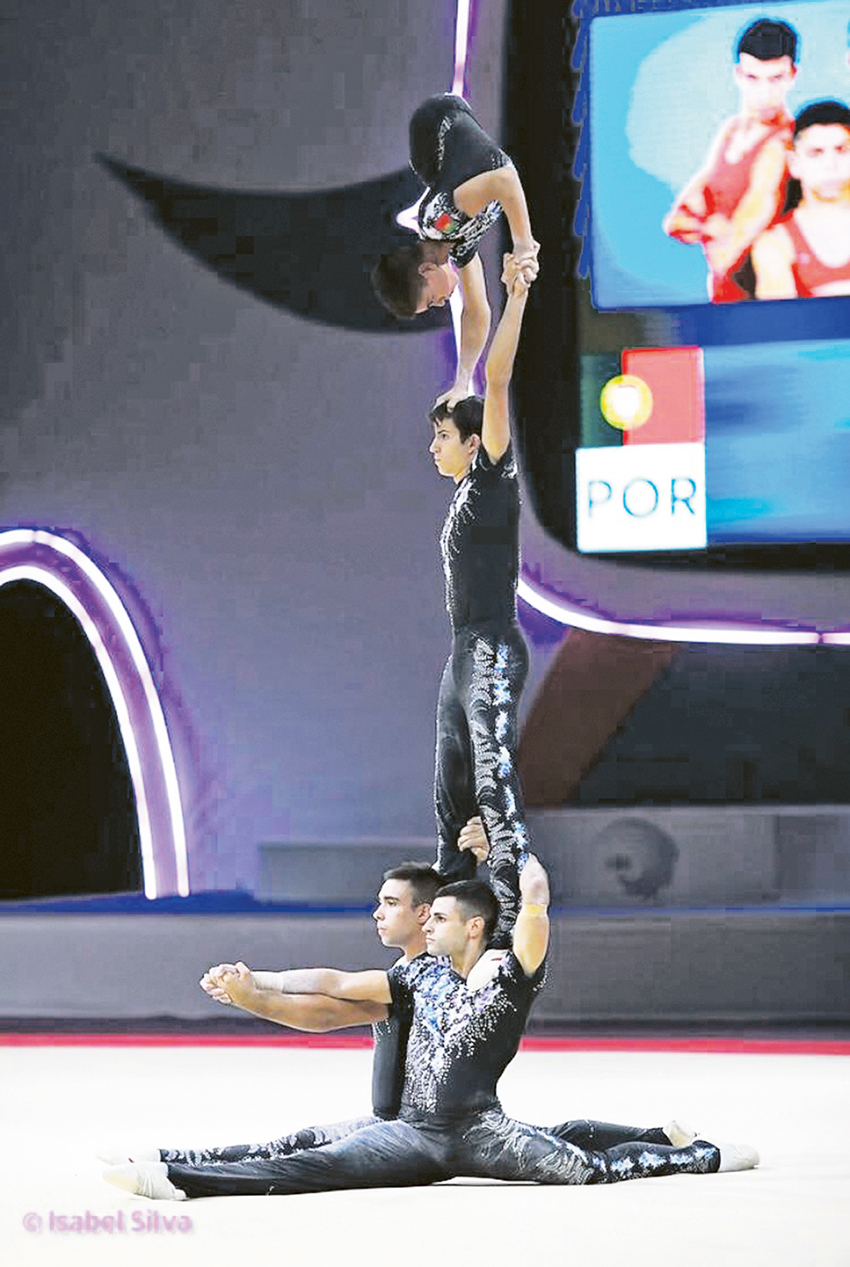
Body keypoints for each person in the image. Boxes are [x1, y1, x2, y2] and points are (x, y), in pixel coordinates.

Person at [104, 856, 757, 1199]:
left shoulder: (506, 976)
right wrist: (259, 983)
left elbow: (533, 933)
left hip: (474, 1130)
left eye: (437, 918)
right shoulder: (420, 976)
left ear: (470, 926)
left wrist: (534, 898)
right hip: (413, 1126)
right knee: (302, 1142)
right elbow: (331, 986)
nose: (427, 927)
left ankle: (695, 1153)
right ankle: (173, 1162)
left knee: (587, 1168)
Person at [428, 262, 532, 944]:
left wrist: (516, 290)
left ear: (473, 443)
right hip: (464, 649)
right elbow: (470, 353)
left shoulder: (490, 482)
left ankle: (511, 924)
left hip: (492, 644)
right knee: (451, 796)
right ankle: (444, 920)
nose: (430, 444)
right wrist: (465, 269)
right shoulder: (466, 491)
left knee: (492, 787)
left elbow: (493, 377)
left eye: (440, 435)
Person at [371, 94, 539, 410]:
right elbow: (477, 311)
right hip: (448, 140)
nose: (441, 303)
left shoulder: (440, 221)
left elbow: (504, 179)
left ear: (426, 270)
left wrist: (523, 246)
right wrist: (461, 383)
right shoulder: (455, 243)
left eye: (431, 300)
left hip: (437, 118)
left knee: (427, 169)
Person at [663, 18, 798, 302]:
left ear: (792, 75)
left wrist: (710, 226)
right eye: (752, 78)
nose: (763, 93)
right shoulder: (730, 131)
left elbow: (727, 254)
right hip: (723, 296)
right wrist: (713, 227)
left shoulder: (783, 144)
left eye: (775, 78)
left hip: (764, 301)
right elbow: (676, 222)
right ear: (738, 74)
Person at [752, 100, 850, 298]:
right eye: (816, 153)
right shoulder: (776, 244)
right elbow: (784, 325)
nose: (830, 165)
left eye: (841, 150)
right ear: (794, 163)